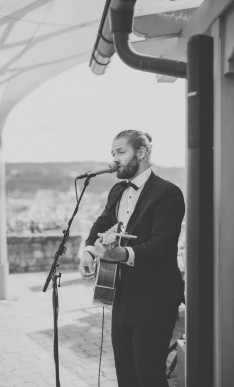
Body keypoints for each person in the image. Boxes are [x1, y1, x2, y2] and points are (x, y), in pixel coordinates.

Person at [79, 130, 185, 387]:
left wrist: (121, 253)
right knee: (125, 374)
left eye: (120, 152)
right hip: (121, 294)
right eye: (112, 153)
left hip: (155, 298)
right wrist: (88, 251)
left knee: (148, 375)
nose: (114, 159)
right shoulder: (117, 190)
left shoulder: (168, 193)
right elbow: (102, 222)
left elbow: (161, 246)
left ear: (142, 153)